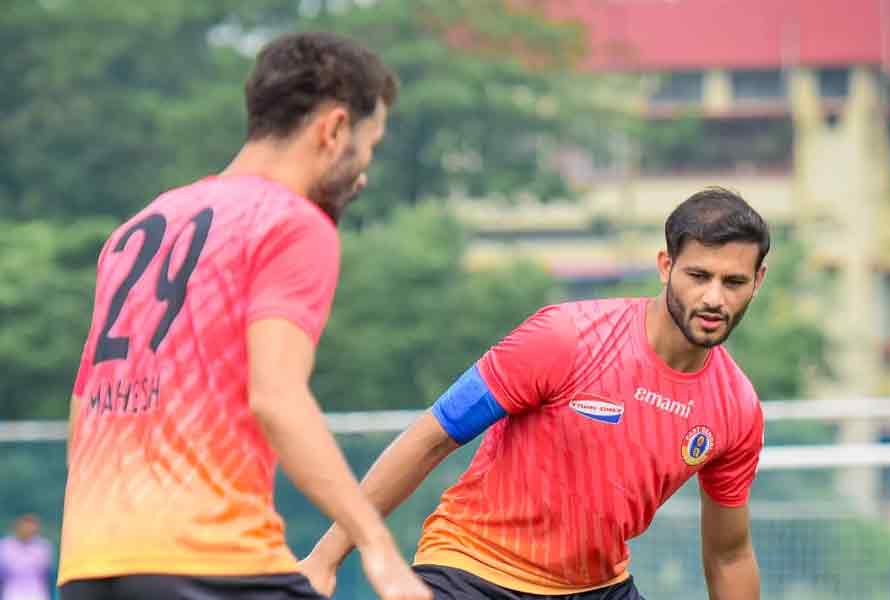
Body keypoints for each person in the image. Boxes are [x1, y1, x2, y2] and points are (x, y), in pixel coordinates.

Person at [58, 31, 431, 600]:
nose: (363, 174)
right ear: (332, 130)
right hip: (211, 563)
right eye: (368, 147)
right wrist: (377, 548)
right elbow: (276, 397)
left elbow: (86, 402)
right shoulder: (291, 222)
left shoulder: (138, 228)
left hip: (90, 566)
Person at [301, 187, 769, 600]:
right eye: (699, 275)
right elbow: (431, 437)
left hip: (595, 587)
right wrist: (325, 560)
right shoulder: (564, 338)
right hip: (472, 567)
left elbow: (729, 556)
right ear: (666, 267)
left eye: (733, 283)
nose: (714, 298)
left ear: (757, 282)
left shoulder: (737, 409)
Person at [0, 515, 53, 600]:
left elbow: (46, 575)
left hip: (37, 594)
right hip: (11, 593)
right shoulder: (4, 546)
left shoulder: (43, 547)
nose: (28, 530)